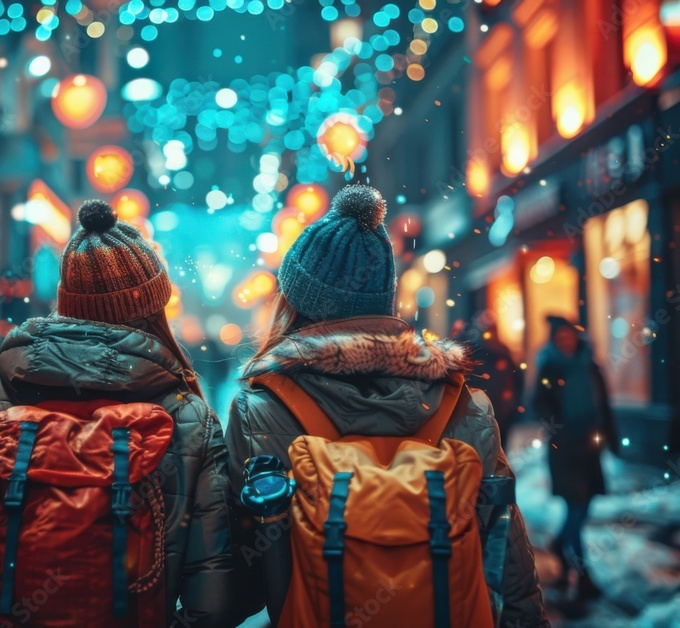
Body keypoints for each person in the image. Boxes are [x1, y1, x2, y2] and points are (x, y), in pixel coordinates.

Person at [225, 185, 549, 627]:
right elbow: (505, 555)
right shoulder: (464, 405)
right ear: (386, 298)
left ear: (295, 303)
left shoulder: (261, 408)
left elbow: (241, 575)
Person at [0, 200, 238, 627]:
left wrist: (28, 578)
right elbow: (213, 599)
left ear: (65, 300)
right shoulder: (188, 419)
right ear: (153, 309)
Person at [533, 315, 614, 600]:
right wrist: (561, 431)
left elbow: (604, 401)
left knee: (585, 504)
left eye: (568, 335)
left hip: (590, 446)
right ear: (554, 340)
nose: (565, 340)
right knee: (576, 507)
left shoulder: (589, 363)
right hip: (565, 449)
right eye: (560, 337)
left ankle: (558, 542)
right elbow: (538, 405)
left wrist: (611, 439)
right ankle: (582, 575)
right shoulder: (549, 365)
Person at [454, 316, 524, 448]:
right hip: (478, 414)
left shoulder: (503, 353)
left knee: (499, 451)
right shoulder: (474, 354)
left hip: (501, 415)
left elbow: (516, 382)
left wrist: (513, 408)